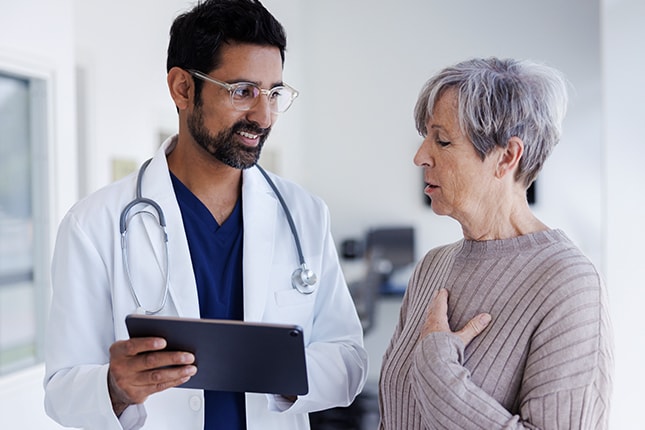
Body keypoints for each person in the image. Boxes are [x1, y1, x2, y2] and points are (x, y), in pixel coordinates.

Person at [43, 1, 368, 429]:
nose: (263, 115)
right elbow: (61, 392)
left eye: (273, 93)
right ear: (182, 89)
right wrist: (115, 388)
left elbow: (349, 358)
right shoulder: (93, 224)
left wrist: (285, 374)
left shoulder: (304, 214)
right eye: (242, 91)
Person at [378, 58, 613, 429]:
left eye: (442, 140)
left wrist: (438, 368)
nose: (420, 156)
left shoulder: (569, 284)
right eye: (425, 136)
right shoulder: (432, 267)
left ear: (506, 157)